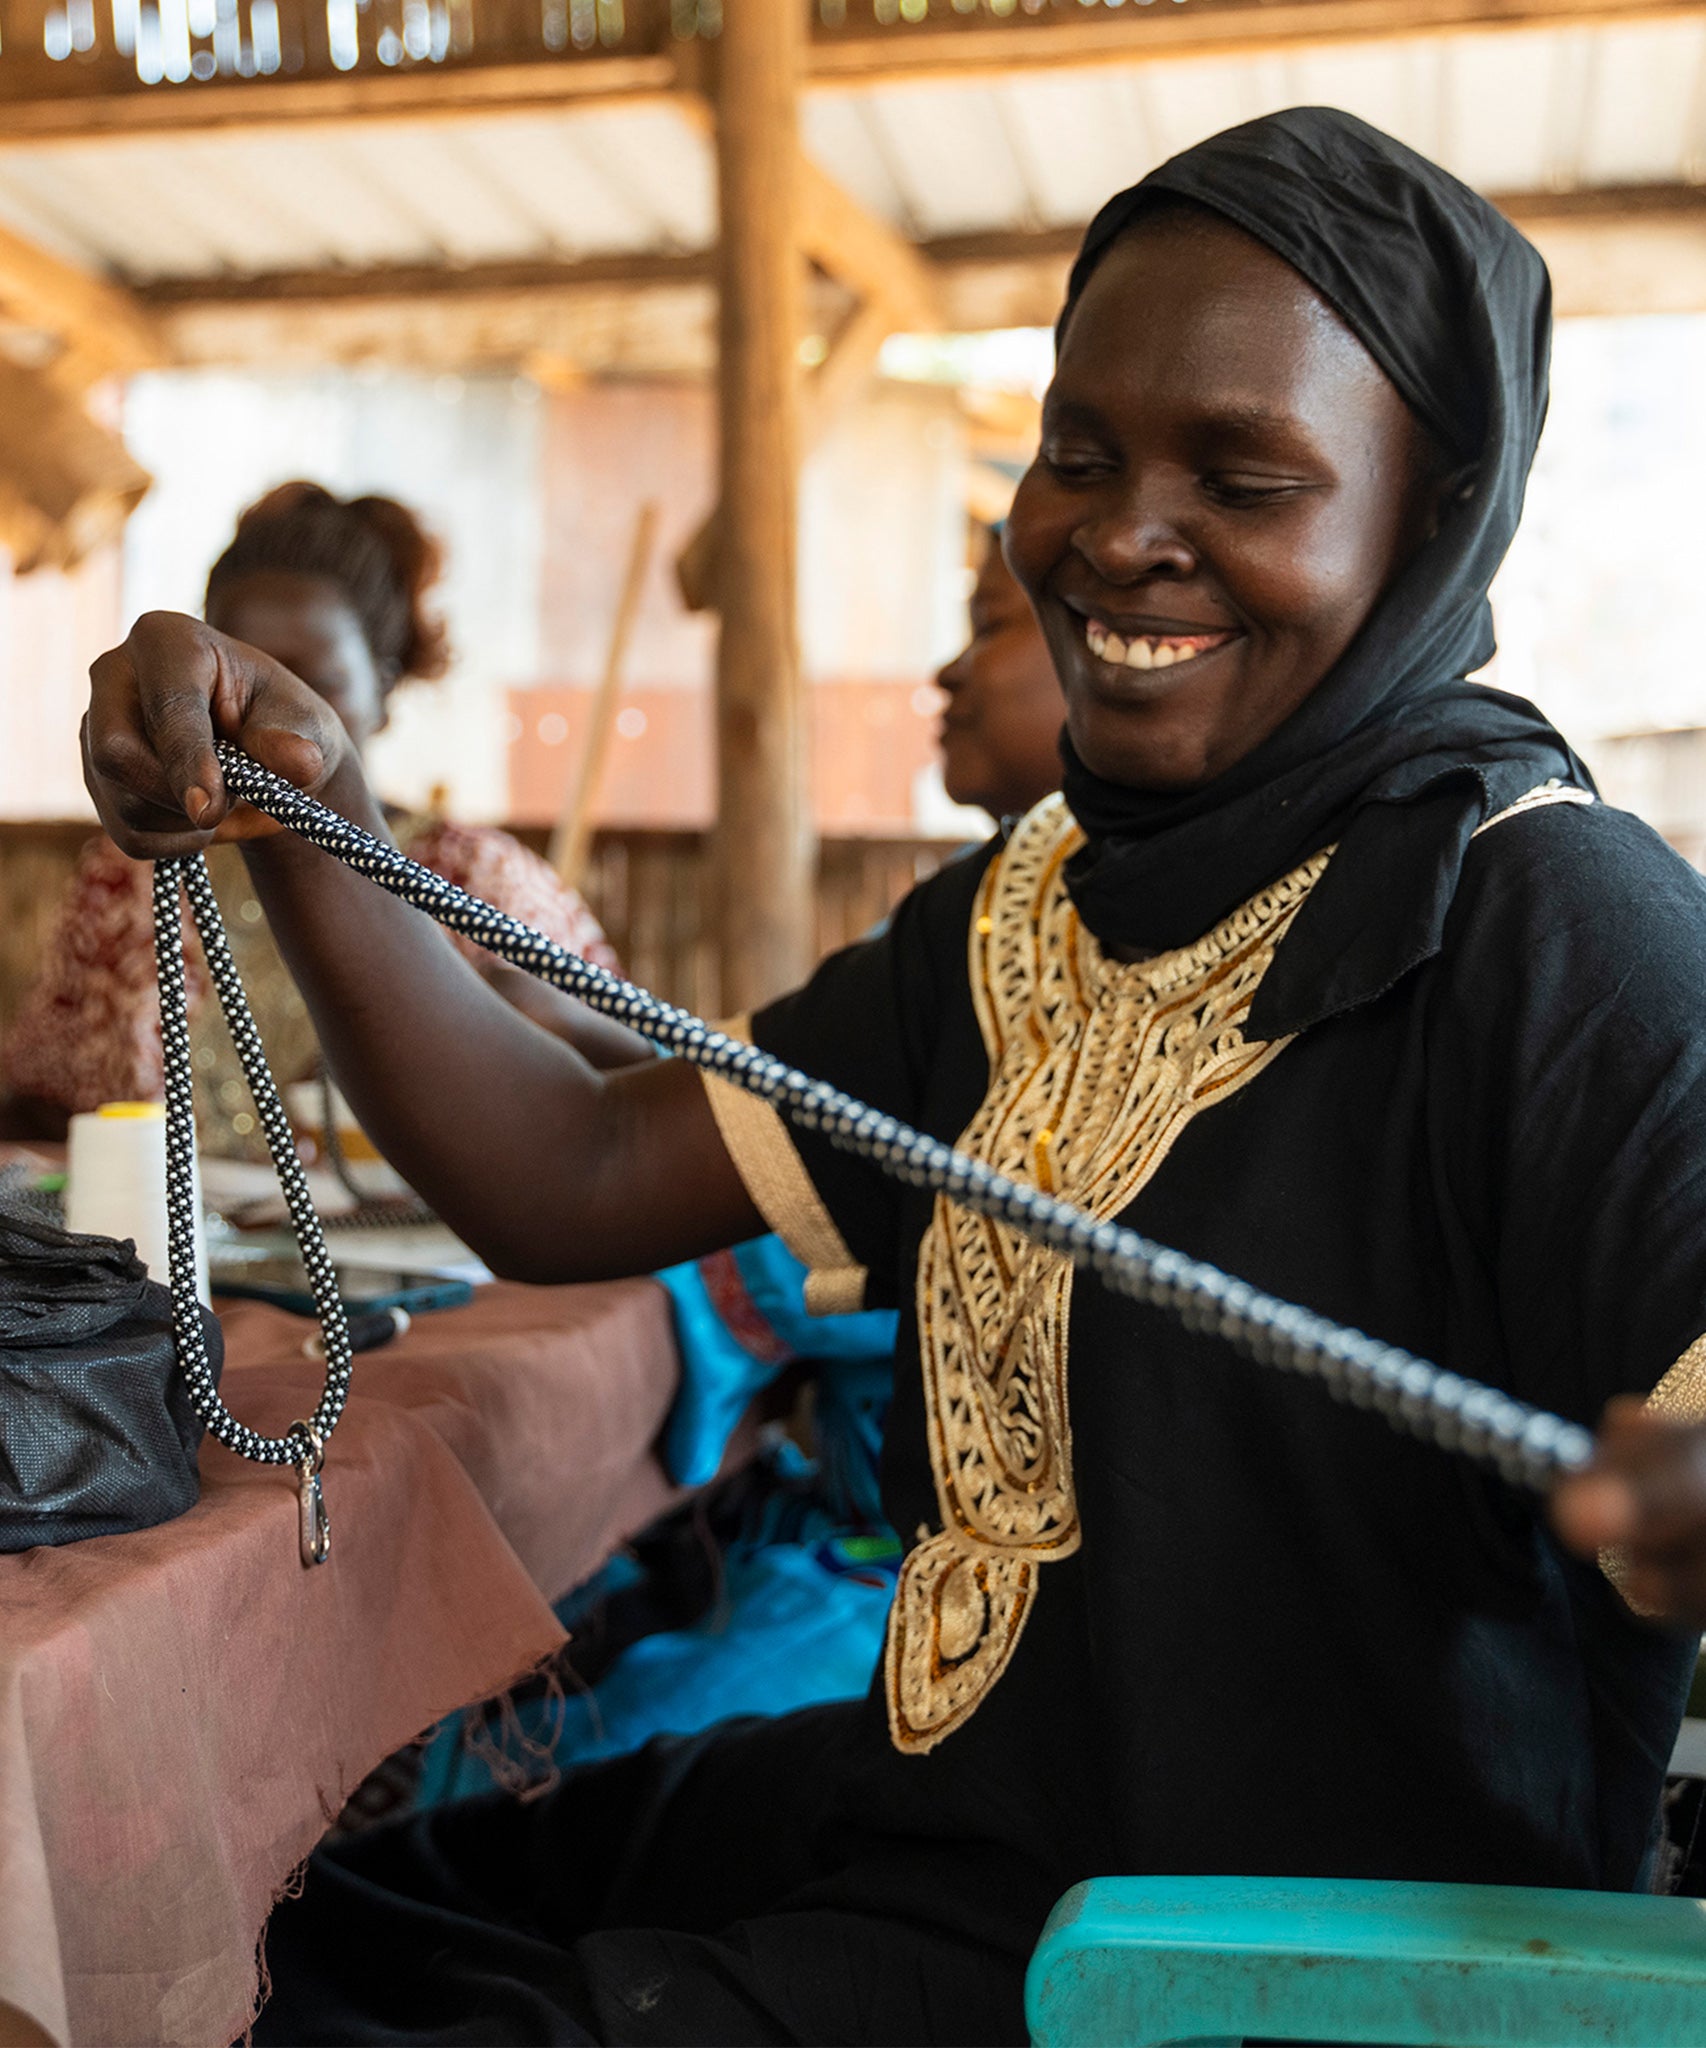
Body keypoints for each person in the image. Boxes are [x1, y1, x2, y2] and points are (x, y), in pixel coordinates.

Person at [81, 108, 1706, 2048]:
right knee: (267, 1922)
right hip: (959, 1827)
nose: (1112, 533)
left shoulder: (1553, 922)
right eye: (1075, 452)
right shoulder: (1024, 910)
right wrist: (306, 799)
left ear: (1426, 523)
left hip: (1240, 1973)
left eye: (1242, 476)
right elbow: (572, 1166)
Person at [412, 520, 1070, 1803]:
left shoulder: (1052, 968)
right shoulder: (973, 922)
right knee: (511, 1704)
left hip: (920, 1591)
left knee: (510, 1787)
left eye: (986, 628)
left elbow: (722, 1194)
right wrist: (578, 1039)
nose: (943, 675)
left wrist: (568, 1069)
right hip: (832, 1533)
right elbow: (788, 1115)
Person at [0, 482, 630, 1151]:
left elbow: (618, 1105)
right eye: (228, 682)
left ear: (383, 689)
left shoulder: (481, 885)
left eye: (310, 687)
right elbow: (45, 1105)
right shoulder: (130, 874)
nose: (255, 719)